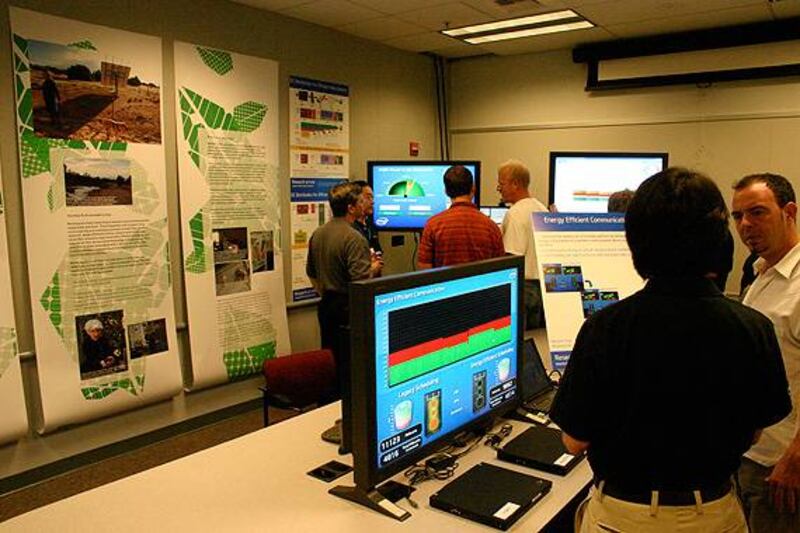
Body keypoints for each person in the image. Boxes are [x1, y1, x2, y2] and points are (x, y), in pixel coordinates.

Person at [550, 167, 791, 533]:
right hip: (715, 514)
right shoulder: (753, 326)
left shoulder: (605, 328)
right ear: (718, 239)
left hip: (624, 517)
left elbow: (573, 441)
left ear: (636, 242)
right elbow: (755, 433)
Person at [732, 173, 800, 533]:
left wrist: (795, 459)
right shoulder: (761, 273)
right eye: (738, 216)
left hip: (782, 467)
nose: (745, 225)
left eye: (757, 212)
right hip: (751, 457)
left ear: (789, 212)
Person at [306, 181, 382, 392]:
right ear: (351, 208)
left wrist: (326, 292)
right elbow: (361, 283)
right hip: (348, 310)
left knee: (331, 361)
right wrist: (374, 267)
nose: (365, 204)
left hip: (327, 306)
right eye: (360, 201)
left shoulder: (318, 233)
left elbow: (311, 273)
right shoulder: (354, 238)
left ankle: (330, 402)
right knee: (351, 366)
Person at [417, 165, 504, 269]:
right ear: (473, 188)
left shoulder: (432, 225)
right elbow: (500, 269)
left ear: (446, 191)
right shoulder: (491, 227)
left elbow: (424, 268)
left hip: (445, 280)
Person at [495, 159, 548, 329]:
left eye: (501, 183)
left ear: (515, 184)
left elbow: (512, 257)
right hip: (544, 288)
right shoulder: (542, 209)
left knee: (522, 338)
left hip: (525, 289)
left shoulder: (515, 214)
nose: (498, 189)